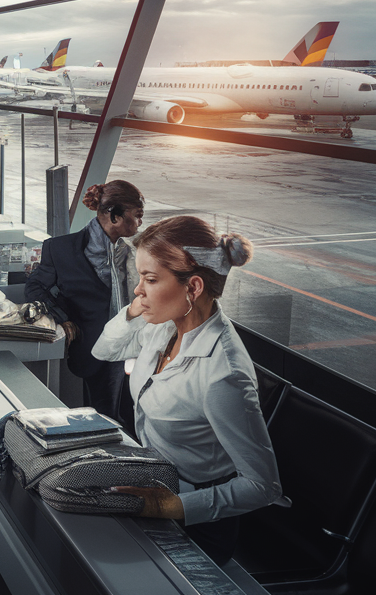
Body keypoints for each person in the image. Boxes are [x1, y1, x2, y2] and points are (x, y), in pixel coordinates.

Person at [92, 216, 281, 565]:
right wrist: (135, 310)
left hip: (196, 522)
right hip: (151, 482)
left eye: (149, 280)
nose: (138, 289)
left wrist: (168, 506)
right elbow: (104, 351)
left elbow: (263, 486)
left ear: (192, 288)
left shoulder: (224, 375)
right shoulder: (163, 327)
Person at [26, 180, 145, 423]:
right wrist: (63, 319)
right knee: (106, 415)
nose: (141, 223)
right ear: (114, 216)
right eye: (138, 215)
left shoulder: (136, 249)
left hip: (138, 345)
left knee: (133, 412)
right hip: (94, 347)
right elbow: (35, 288)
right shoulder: (60, 249)